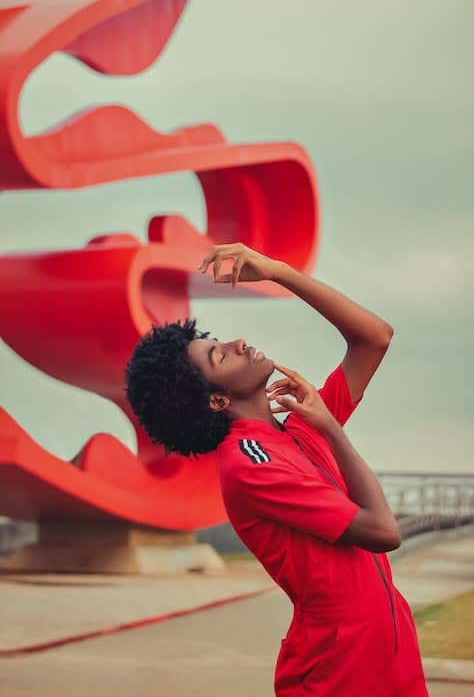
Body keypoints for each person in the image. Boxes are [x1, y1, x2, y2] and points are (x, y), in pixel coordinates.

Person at [125, 242, 428, 696]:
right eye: (219, 355)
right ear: (216, 400)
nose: (237, 343)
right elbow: (384, 531)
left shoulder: (297, 430)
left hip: (393, 649)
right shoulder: (250, 463)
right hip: (338, 669)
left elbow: (375, 338)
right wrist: (332, 428)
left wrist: (279, 273)